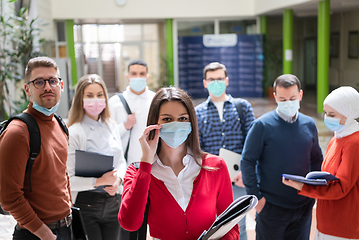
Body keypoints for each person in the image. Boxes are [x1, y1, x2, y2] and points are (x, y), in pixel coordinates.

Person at [119, 87, 239, 240]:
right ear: (154, 123)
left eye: (182, 119)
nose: (175, 125)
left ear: (191, 122)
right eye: (167, 119)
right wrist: (146, 162)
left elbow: (231, 227)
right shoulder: (137, 172)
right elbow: (129, 223)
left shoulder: (216, 166)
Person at [241, 74, 323, 240]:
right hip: (271, 208)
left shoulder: (309, 124)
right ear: (275, 97)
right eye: (283, 99)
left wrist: (313, 192)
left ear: (300, 95)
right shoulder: (262, 125)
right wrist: (257, 199)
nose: (288, 103)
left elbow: (316, 159)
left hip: (302, 208)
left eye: (292, 98)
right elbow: (247, 161)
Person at [0, 57, 72, 240]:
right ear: (27, 89)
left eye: (53, 81)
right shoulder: (18, 132)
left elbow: (62, 175)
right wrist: (46, 235)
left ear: (61, 86)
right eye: (39, 82)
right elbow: (9, 197)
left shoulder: (59, 124)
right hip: (36, 233)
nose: (48, 87)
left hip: (66, 227)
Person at [283, 86, 359, 240]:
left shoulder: (354, 143)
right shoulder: (336, 138)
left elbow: (341, 187)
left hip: (342, 227)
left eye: (332, 114)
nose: (327, 118)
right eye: (326, 113)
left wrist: (303, 187)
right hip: (326, 222)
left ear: (349, 113)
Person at [195, 62, 255, 240]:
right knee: (212, 226)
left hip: (239, 179)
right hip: (211, 180)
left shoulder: (242, 107)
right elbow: (197, 148)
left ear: (226, 80)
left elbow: (251, 143)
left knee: (239, 225)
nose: (216, 83)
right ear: (205, 82)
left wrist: (245, 171)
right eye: (211, 79)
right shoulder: (197, 112)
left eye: (219, 79)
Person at [67, 74, 127, 240]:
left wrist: (118, 181)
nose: (96, 100)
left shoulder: (111, 125)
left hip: (113, 201)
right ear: (81, 99)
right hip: (86, 204)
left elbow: (121, 161)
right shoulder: (74, 132)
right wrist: (99, 181)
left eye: (100, 95)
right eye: (90, 95)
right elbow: (68, 180)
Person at [108, 59, 156, 166]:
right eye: (134, 74)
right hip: (125, 164)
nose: (138, 77)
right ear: (127, 77)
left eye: (142, 74)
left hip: (153, 162)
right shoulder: (115, 102)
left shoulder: (155, 100)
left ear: (147, 77)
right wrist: (125, 126)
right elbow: (108, 135)